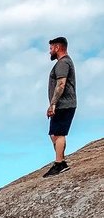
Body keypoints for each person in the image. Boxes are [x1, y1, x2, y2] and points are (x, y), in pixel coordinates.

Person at [44, 36, 77, 177]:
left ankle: (59, 164)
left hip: (64, 104)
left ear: (57, 47)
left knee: (58, 134)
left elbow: (61, 84)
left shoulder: (63, 63)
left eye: (51, 48)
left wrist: (53, 104)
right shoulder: (64, 62)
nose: (50, 51)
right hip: (63, 105)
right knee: (54, 134)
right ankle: (61, 161)